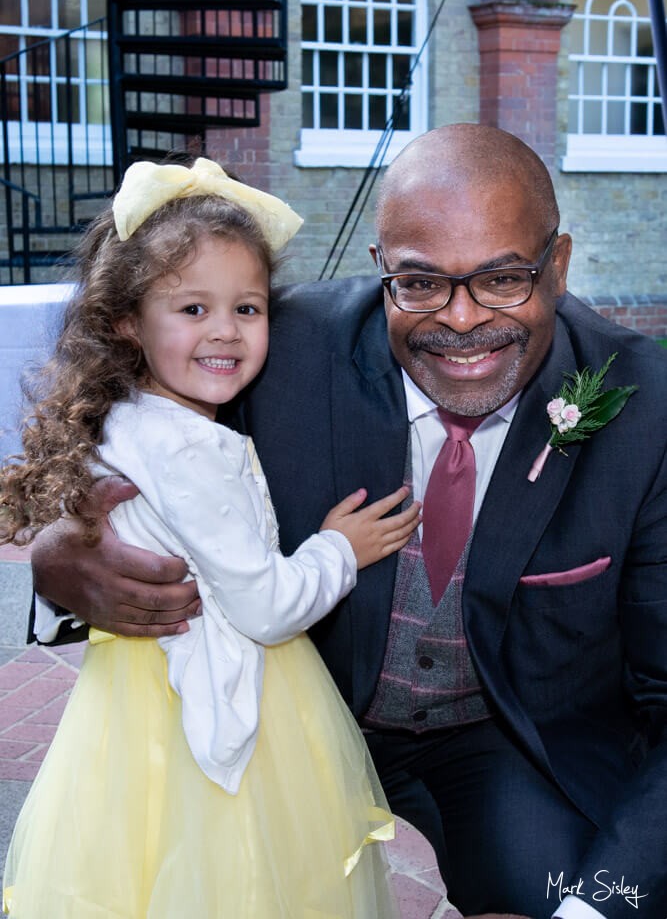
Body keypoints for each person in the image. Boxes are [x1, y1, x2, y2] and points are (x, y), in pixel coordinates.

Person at [30, 125, 667, 919]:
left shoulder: (644, 408)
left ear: (558, 265)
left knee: (557, 899)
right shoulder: (274, 345)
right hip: (279, 720)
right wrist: (57, 556)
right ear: (380, 266)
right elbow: (138, 433)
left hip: (500, 740)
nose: (460, 318)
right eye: (420, 282)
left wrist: (595, 908)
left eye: (503, 278)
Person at [1, 156, 426, 917]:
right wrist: (339, 549)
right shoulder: (187, 447)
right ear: (126, 320)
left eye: (247, 308)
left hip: (131, 701)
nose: (225, 331)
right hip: (222, 702)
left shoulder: (129, 418)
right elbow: (266, 608)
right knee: (246, 876)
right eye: (192, 308)